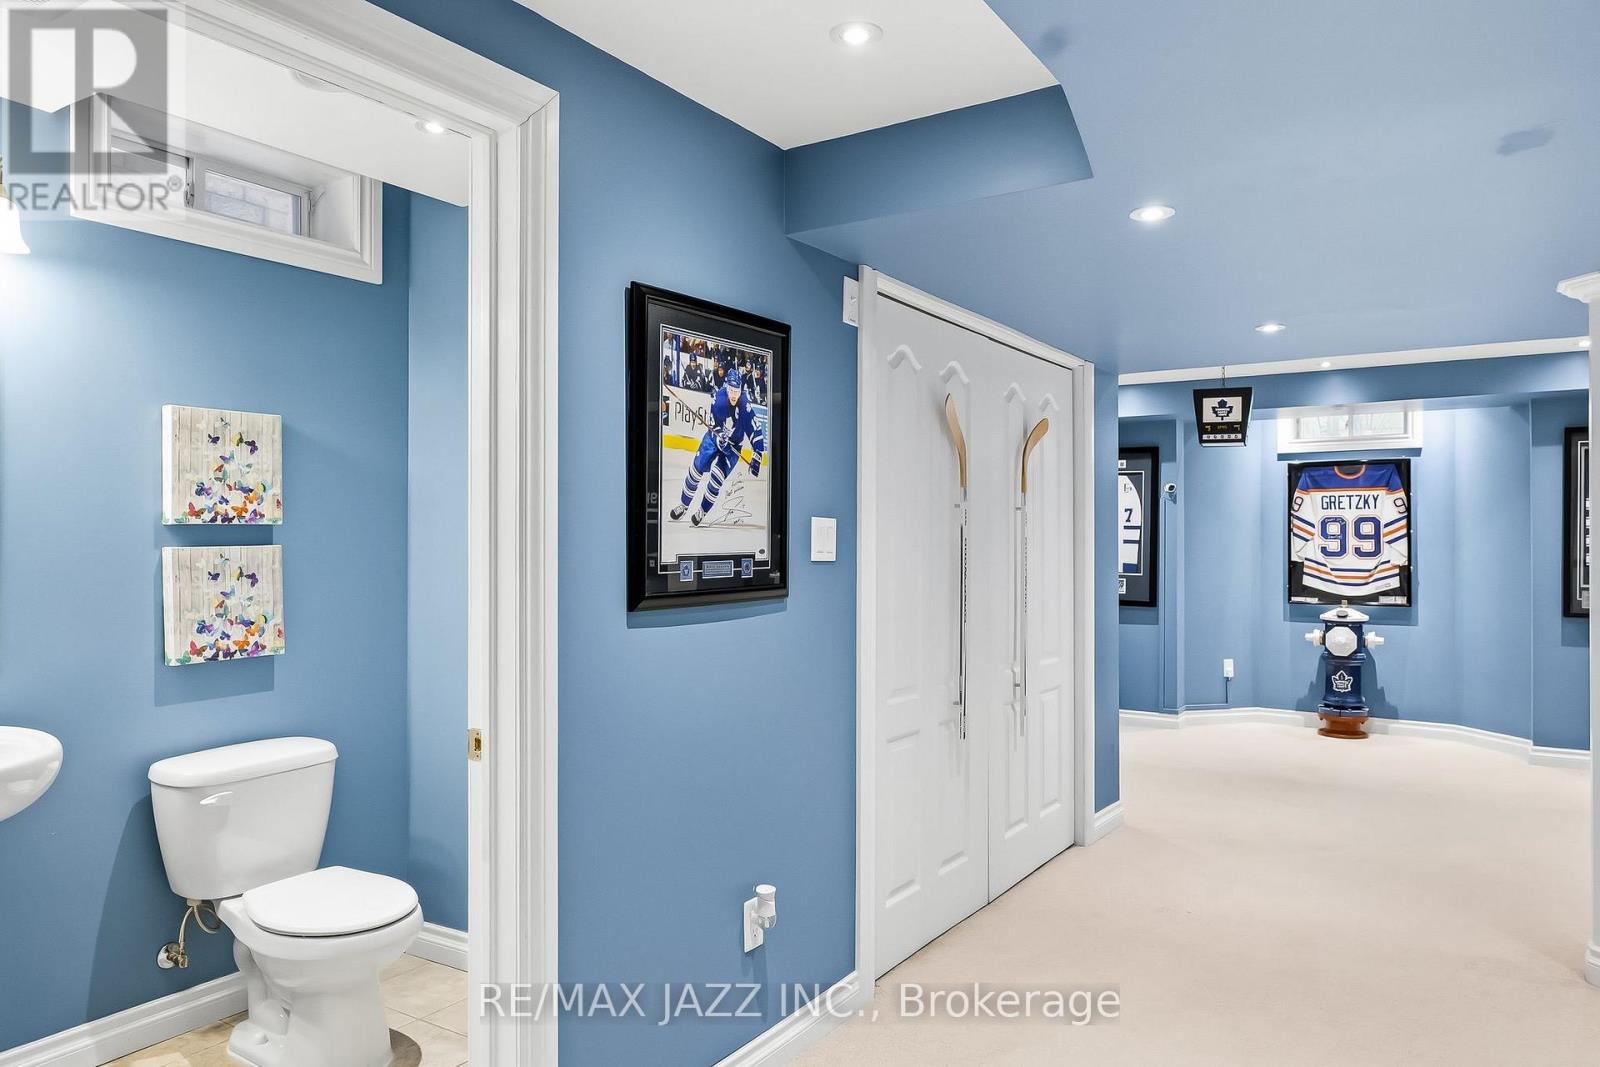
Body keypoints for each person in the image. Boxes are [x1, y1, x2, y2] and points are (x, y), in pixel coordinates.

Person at [670, 369, 765, 526]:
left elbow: (755, 430)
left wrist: (758, 454)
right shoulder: (718, 399)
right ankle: (684, 505)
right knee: (696, 469)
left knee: (716, 479)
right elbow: (714, 426)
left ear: (741, 390)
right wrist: (720, 437)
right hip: (713, 440)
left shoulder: (745, 407)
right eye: (731, 390)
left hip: (733, 447)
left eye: (737, 391)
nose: (734, 395)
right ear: (727, 388)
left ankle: (702, 510)